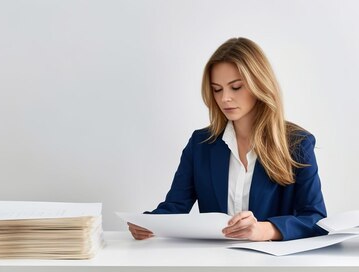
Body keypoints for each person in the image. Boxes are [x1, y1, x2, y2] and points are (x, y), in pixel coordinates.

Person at [129, 37, 327, 241]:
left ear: (259, 84)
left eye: (236, 87)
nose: (224, 98)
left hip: (271, 265)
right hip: (215, 262)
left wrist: (265, 230)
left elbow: (316, 219)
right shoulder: (200, 144)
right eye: (217, 89)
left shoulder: (297, 143)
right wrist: (149, 223)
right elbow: (175, 207)